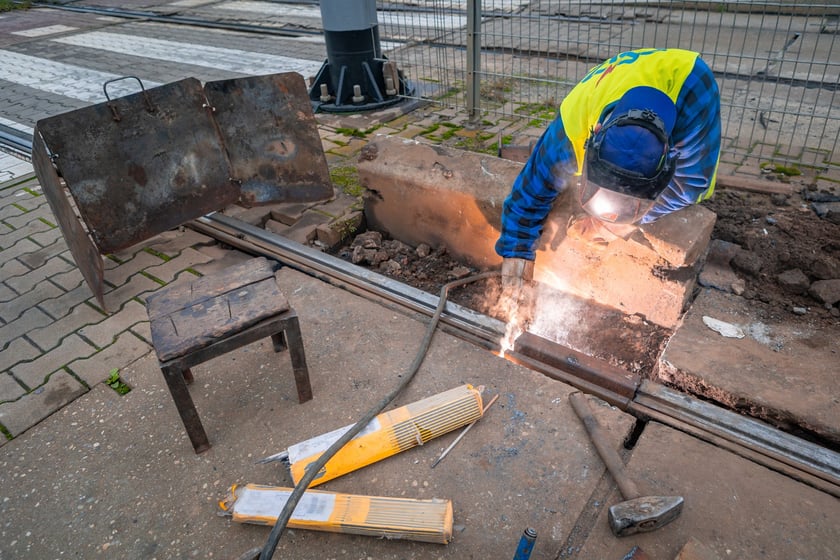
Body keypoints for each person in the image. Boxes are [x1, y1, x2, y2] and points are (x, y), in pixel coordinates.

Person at [496, 47, 722, 296]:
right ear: (596, 132)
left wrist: (612, 226)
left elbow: (687, 187)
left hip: (683, 79)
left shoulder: (696, 97)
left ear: (669, 158)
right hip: (608, 84)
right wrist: (517, 251)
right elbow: (530, 192)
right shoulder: (572, 129)